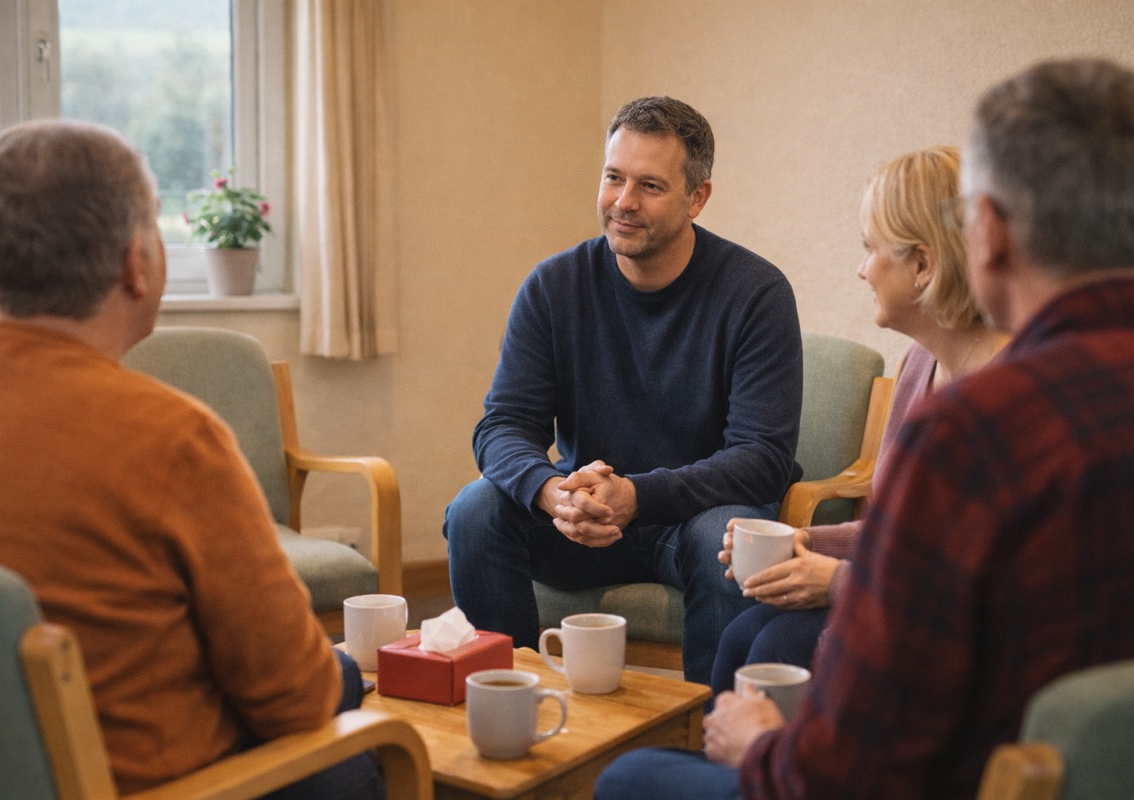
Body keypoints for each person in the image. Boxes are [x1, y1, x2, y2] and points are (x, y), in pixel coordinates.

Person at [596, 56, 1134, 799]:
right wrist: (817, 547)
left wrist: (760, 747)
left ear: (990, 235)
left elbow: (843, 772)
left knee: (630, 775)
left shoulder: (976, 435)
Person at [0, 120, 380, 799]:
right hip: (138, 781)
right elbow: (293, 696)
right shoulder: (174, 439)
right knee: (350, 729)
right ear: (133, 264)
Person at [443, 96, 803, 683]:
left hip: (698, 515)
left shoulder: (755, 293)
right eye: (614, 177)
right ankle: (508, 699)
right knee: (476, 510)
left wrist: (637, 495)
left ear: (697, 197)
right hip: (586, 513)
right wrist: (552, 492)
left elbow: (762, 458)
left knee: (730, 538)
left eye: (651, 186)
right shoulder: (553, 286)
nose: (623, 203)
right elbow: (504, 424)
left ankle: (715, 741)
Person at [709, 146, 1009, 688]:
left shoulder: (1009, 395)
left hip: (944, 637)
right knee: (742, 631)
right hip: (889, 587)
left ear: (923, 264)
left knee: (774, 644)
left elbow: (979, 581)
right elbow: (894, 531)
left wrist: (839, 583)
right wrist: (803, 544)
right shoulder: (920, 364)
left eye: (871, 249)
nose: (861, 268)